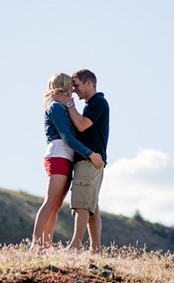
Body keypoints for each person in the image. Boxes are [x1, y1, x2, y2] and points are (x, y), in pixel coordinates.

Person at [30, 73, 104, 251]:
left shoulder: (63, 107)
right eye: (71, 86)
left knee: (55, 205)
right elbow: (67, 137)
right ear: (62, 86)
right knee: (50, 201)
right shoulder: (55, 107)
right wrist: (89, 153)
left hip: (67, 156)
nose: (73, 90)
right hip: (59, 155)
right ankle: (36, 244)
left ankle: (45, 246)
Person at [52, 69, 109, 253]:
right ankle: (96, 249)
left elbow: (82, 125)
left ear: (88, 83)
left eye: (76, 85)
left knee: (82, 204)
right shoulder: (92, 104)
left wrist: (68, 104)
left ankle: (75, 245)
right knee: (92, 206)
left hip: (89, 161)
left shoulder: (98, 102)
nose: (74, 90)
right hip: (92, 161)